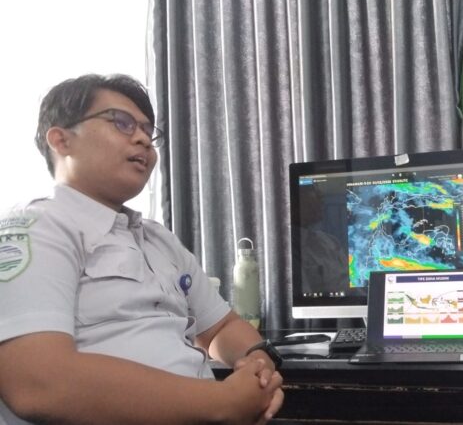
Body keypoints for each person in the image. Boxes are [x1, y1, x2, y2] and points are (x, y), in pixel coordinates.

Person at [0, 74, 283, 424]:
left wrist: (258, 365)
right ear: (61, 140)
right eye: (122, 123)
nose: (143, 140)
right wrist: (223, 402)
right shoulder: (36, 227)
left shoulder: (158, 239)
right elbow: (37, 383)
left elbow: (220, 327)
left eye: (149, 131)